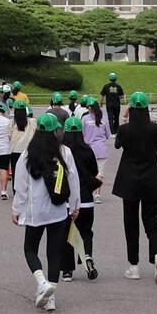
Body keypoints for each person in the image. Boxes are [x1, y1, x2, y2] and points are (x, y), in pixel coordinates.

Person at [12, 113, 81, 312]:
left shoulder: (28, 154)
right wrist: (74, 205)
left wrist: (16, 209)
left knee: (30, 249)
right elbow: (73, 181)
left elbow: (20, 186)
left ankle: (42, 283)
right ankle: (51, 297)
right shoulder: (64, 152)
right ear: (55, 131)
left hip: (35, 212)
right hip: (58, 211)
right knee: (54, 253)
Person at [114, 91, 157, 284]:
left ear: (131, 109)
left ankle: (133, 266)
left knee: (131, 223)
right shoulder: (155, 129)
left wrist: (124, 117)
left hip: (129, 180)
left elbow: (117, 145)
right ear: (146, 108)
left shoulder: (124, 130)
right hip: (151, 179)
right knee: (153, 221)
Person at [60, 115, 101, 281]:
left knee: (67, 234)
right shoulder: (87, 149)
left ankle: (68, 270)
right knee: (86, 232)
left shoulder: (61, 151)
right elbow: (94, 171)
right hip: (86, 199)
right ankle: (87, 257)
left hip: (67, 201)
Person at [81, 96, 111, 203]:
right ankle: (97, 194)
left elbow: (82, 134)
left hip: (88, 149)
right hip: (101, 149)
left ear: (89, 107)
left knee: (88, 172)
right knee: (99, 173)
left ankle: (89, 191)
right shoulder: (104, 119)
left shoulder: (84, 119)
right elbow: (108, 135)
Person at [9, 101, 36, 194]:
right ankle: (27, 190)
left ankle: (16, 191)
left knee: (16, 172)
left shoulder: (12, 122)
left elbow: (9, 136)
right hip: (28, 150)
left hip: (15, 150)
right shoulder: (32, 122)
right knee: (27, 172)